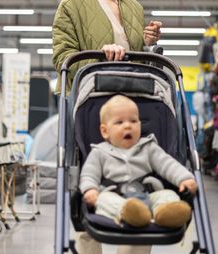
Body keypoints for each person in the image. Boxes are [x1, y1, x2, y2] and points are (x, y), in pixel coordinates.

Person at [80, 95, 197, 232]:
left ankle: (165, 213)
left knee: (168, 195)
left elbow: (168, 165)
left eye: (134, 121)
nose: (128, 126)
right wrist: (90, 189)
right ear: (105, 131)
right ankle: (130, 213)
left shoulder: (148, 147)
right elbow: (89, 174)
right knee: (103, 200)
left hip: (148, 194)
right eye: (119, 122)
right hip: (115, 196)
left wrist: (185, 178)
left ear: (140, 125)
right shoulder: (99, 152)